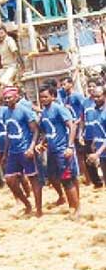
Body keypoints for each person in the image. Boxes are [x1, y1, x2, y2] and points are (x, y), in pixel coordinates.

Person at [38, 85, 81, 220]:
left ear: (53, 96)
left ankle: (76, 208)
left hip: (62, 150)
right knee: (52, 177)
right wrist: (42, 143)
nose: (43, 99)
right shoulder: (44, 112)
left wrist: (69, 146)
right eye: (41, 97)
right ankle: (67, 201)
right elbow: (48, 131)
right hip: (52, 150)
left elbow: (72, 126)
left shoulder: (58, 108)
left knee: (67, 179)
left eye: (45, 96)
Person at [2, 87, 41, 216]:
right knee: (10, 180)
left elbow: (35, 130)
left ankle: (39, 209)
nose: (7, 100)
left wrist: (31, 147)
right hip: (13, 152)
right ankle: (27, 204)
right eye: (5, 98)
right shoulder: (5, 113)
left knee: (33, 179)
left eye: (10, 97)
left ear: (16, 97)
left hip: (25, 150)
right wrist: (5, 153)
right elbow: (9, 133)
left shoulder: (24, 111)